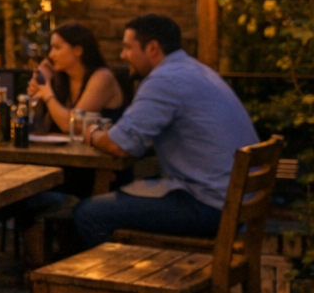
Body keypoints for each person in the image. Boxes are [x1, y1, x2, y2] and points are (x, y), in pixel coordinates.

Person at [74, 14, 258, 248]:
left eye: (128, 48)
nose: (122, 56)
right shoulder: (194, 70)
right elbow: (135, 135)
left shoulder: (164, 80)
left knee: (89, 213)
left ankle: (121, 281)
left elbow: (118, 145)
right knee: (128, 194)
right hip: (234, 201)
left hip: (209, 205)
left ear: (152, 48)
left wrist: (89, 132)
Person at [26, 21, 128, 134]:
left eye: (57, 48)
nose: (51, 54)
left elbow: (71, 125)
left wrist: (46, 91)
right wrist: (40, 79)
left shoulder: (102, 77)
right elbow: (41, 129)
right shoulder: (63, 78)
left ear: (77, 50)